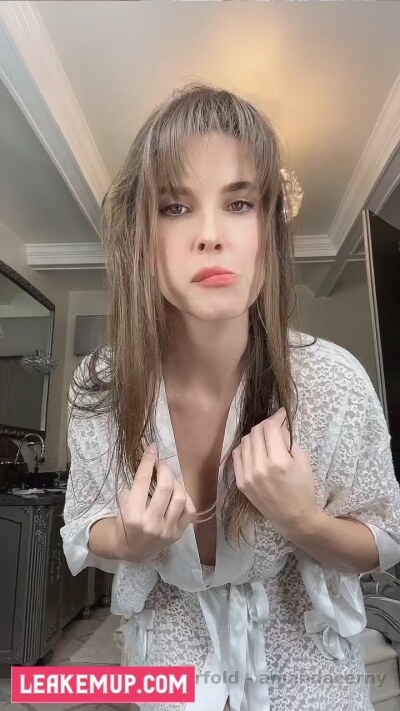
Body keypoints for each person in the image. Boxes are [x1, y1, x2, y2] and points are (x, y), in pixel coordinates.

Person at [61, 83, 400, 711]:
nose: (211, 235)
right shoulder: (101, 385)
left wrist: (303, 521)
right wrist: (132, 543)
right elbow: (83, 525)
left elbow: (384, 537)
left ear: (268, 230)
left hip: (309, 676)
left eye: (239, 203)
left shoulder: (335, 381)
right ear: (141, 238)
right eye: (175, 207)